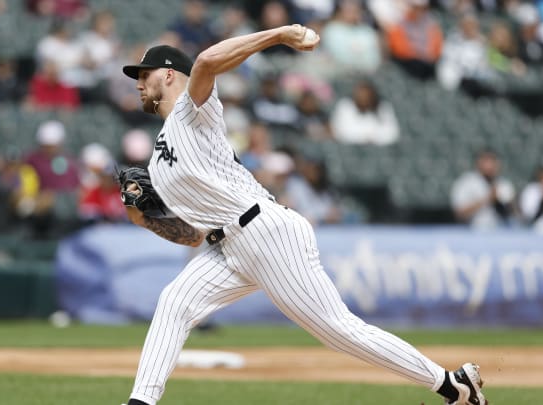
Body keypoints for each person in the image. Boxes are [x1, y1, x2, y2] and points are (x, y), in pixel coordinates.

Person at [118, 25, 486, 405]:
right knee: (174, 302)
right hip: (225, 247)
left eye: (144, 75)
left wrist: (281, 34)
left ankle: (453, 385)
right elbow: (190, 235)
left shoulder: (190, 111)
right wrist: (142, 216)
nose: (138, 84)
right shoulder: (157, 165)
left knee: (339, 332)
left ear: (168, 74)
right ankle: (140, 402)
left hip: (264, 230)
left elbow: (208, 61)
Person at [451, 149, 516, 229]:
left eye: (492, 161)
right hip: (472, 232)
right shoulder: (467, 182)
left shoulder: (504, 184)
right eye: (486, 161)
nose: (489, 165)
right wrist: (488, 199)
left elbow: (514, 215)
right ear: (478, 163)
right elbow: (459, 214)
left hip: (500, 232)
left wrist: (504, 203)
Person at [330, 79, 400, 145]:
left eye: (367, 95)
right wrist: (363, 138)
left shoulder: (383, 106)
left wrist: (372, 139)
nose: (364, 98)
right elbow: (339, 131)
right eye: (361, 95)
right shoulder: (345, 105)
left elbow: (392, 133)